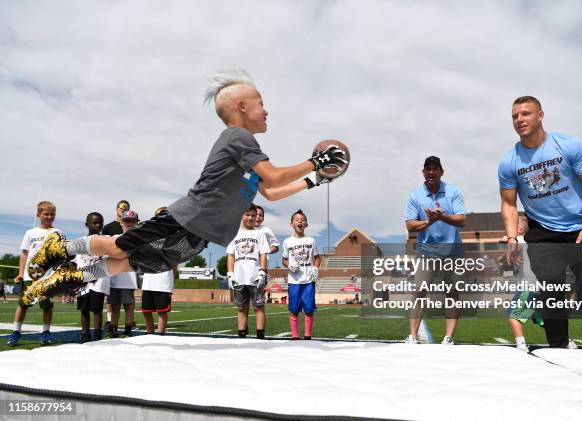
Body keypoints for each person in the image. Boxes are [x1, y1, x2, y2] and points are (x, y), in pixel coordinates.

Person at [22, 69, 346, 304]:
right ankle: (59, 249)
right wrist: (316, 163)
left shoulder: (248, 156)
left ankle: (74, 276)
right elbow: (274, 177)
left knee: (131, 261)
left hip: (199, 236)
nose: (267, 109)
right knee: (118, 246)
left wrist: (314, 179)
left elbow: (271, 191)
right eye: (261, 102)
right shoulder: (238, 137)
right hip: (184, 219)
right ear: (242, 108)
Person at [499, 95, 582, 348]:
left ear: (540, 115)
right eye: (515, 116)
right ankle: (558, 348)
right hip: (543, 234)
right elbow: (508, 203)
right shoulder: (509, 161)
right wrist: (510, 237)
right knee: (551, 293)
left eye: (526, 114)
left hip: (581, 229)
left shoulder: (569, 146)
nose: (520, 120)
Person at [404, 156, 466, 346]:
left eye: (435, 168)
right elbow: (410, 225)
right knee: (419, 292)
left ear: (441, 172)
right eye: (428, 168)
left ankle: (449, 338)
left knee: (452, 293)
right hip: (426, 251)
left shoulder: (453, 190)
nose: (431, 172)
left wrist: (442, 217)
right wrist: (429, 222)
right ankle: (412, 337)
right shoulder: (415, 195)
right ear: (423, 172)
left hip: (452, 250)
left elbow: (462, 220)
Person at [6, 201, 61, 346]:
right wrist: (20, 272)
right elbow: (24, 253)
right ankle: (16, 332)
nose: (49, 217)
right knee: (23, 304)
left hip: (48, 277)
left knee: (47, 306)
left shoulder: (57, 233)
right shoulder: (30, 233)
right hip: (29, 276)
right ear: (38, 215)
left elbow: (61, 254)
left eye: (52, 214)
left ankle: (45, 332)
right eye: (46, 214)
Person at [226, 204, 271, 338]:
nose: (250, 217)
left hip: (255, 276)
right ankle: (241, 334)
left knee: (258, 307)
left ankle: (260, 335)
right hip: (239, 277)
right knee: (241, 308)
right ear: (241, 215)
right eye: (247, 214)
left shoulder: (260, 233)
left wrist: (262, 271)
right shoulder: (234, 233)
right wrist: (230, 273)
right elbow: (231, 255)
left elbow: (263, 253)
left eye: (253, 215)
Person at [505, 216, 544, 352]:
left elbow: (513, 244)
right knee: (540, 318)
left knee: (513, 315)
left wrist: (512, 252)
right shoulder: (532, 243)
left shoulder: (520, 240)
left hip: (528, 287)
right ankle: (564, 339)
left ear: (520, 230)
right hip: (539, 287)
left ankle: (521, 344)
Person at [282, 209, 320, 340]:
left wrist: (315, 268)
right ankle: (295, 336)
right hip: (294, 281)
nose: (300, 221)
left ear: (306, 224)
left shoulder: (311, 240)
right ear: (291, 224)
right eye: (297, 219)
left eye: (302, 220)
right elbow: (284, 259)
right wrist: (289, 265)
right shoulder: (287, 241)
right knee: (293, 310)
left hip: (308, 280)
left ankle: (308, 336)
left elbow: (317, 257)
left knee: (309, 309)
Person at [141, 207, 176, 335]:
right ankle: (149, 334)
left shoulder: (173, 235)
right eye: (158, 215)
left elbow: (174, 261)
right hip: (149, 279)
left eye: (164, 214)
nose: (161, 217)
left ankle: (160, 334)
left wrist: (172, 281)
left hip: (163, 280)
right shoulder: (147, 234)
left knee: (162, 311)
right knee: (146, 310)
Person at [107, 210, 140, 338]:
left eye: (133, 221)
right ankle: (113, 329)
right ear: (121, 223)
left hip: (129, 278)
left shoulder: (139, 240)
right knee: (114, 306)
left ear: (136, 223)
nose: (130, 223)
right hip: (115, 277)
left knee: (129, 306)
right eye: (127, 221)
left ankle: (127, 330)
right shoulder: (114, 238)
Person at [75, 212, 107, 343]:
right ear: (86, 224)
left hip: (99, 281)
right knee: (84, 309)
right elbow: (77, 261)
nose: (98, 225)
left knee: (97, 309)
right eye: (94, 222)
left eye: (100, 222)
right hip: (83, 281)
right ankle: (85, 334)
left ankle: (97, 334)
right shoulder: (80, 242)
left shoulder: (106, 240)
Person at [101, 200, 130, 330]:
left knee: (128, 298)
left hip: (127, 267)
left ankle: (129, 322)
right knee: (111, 297)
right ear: (116, 209)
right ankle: (109, 320)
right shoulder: (108, 227)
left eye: (125, 208)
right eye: (121, 208)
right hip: (112, 264)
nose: (122, 210)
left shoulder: (130, 225)